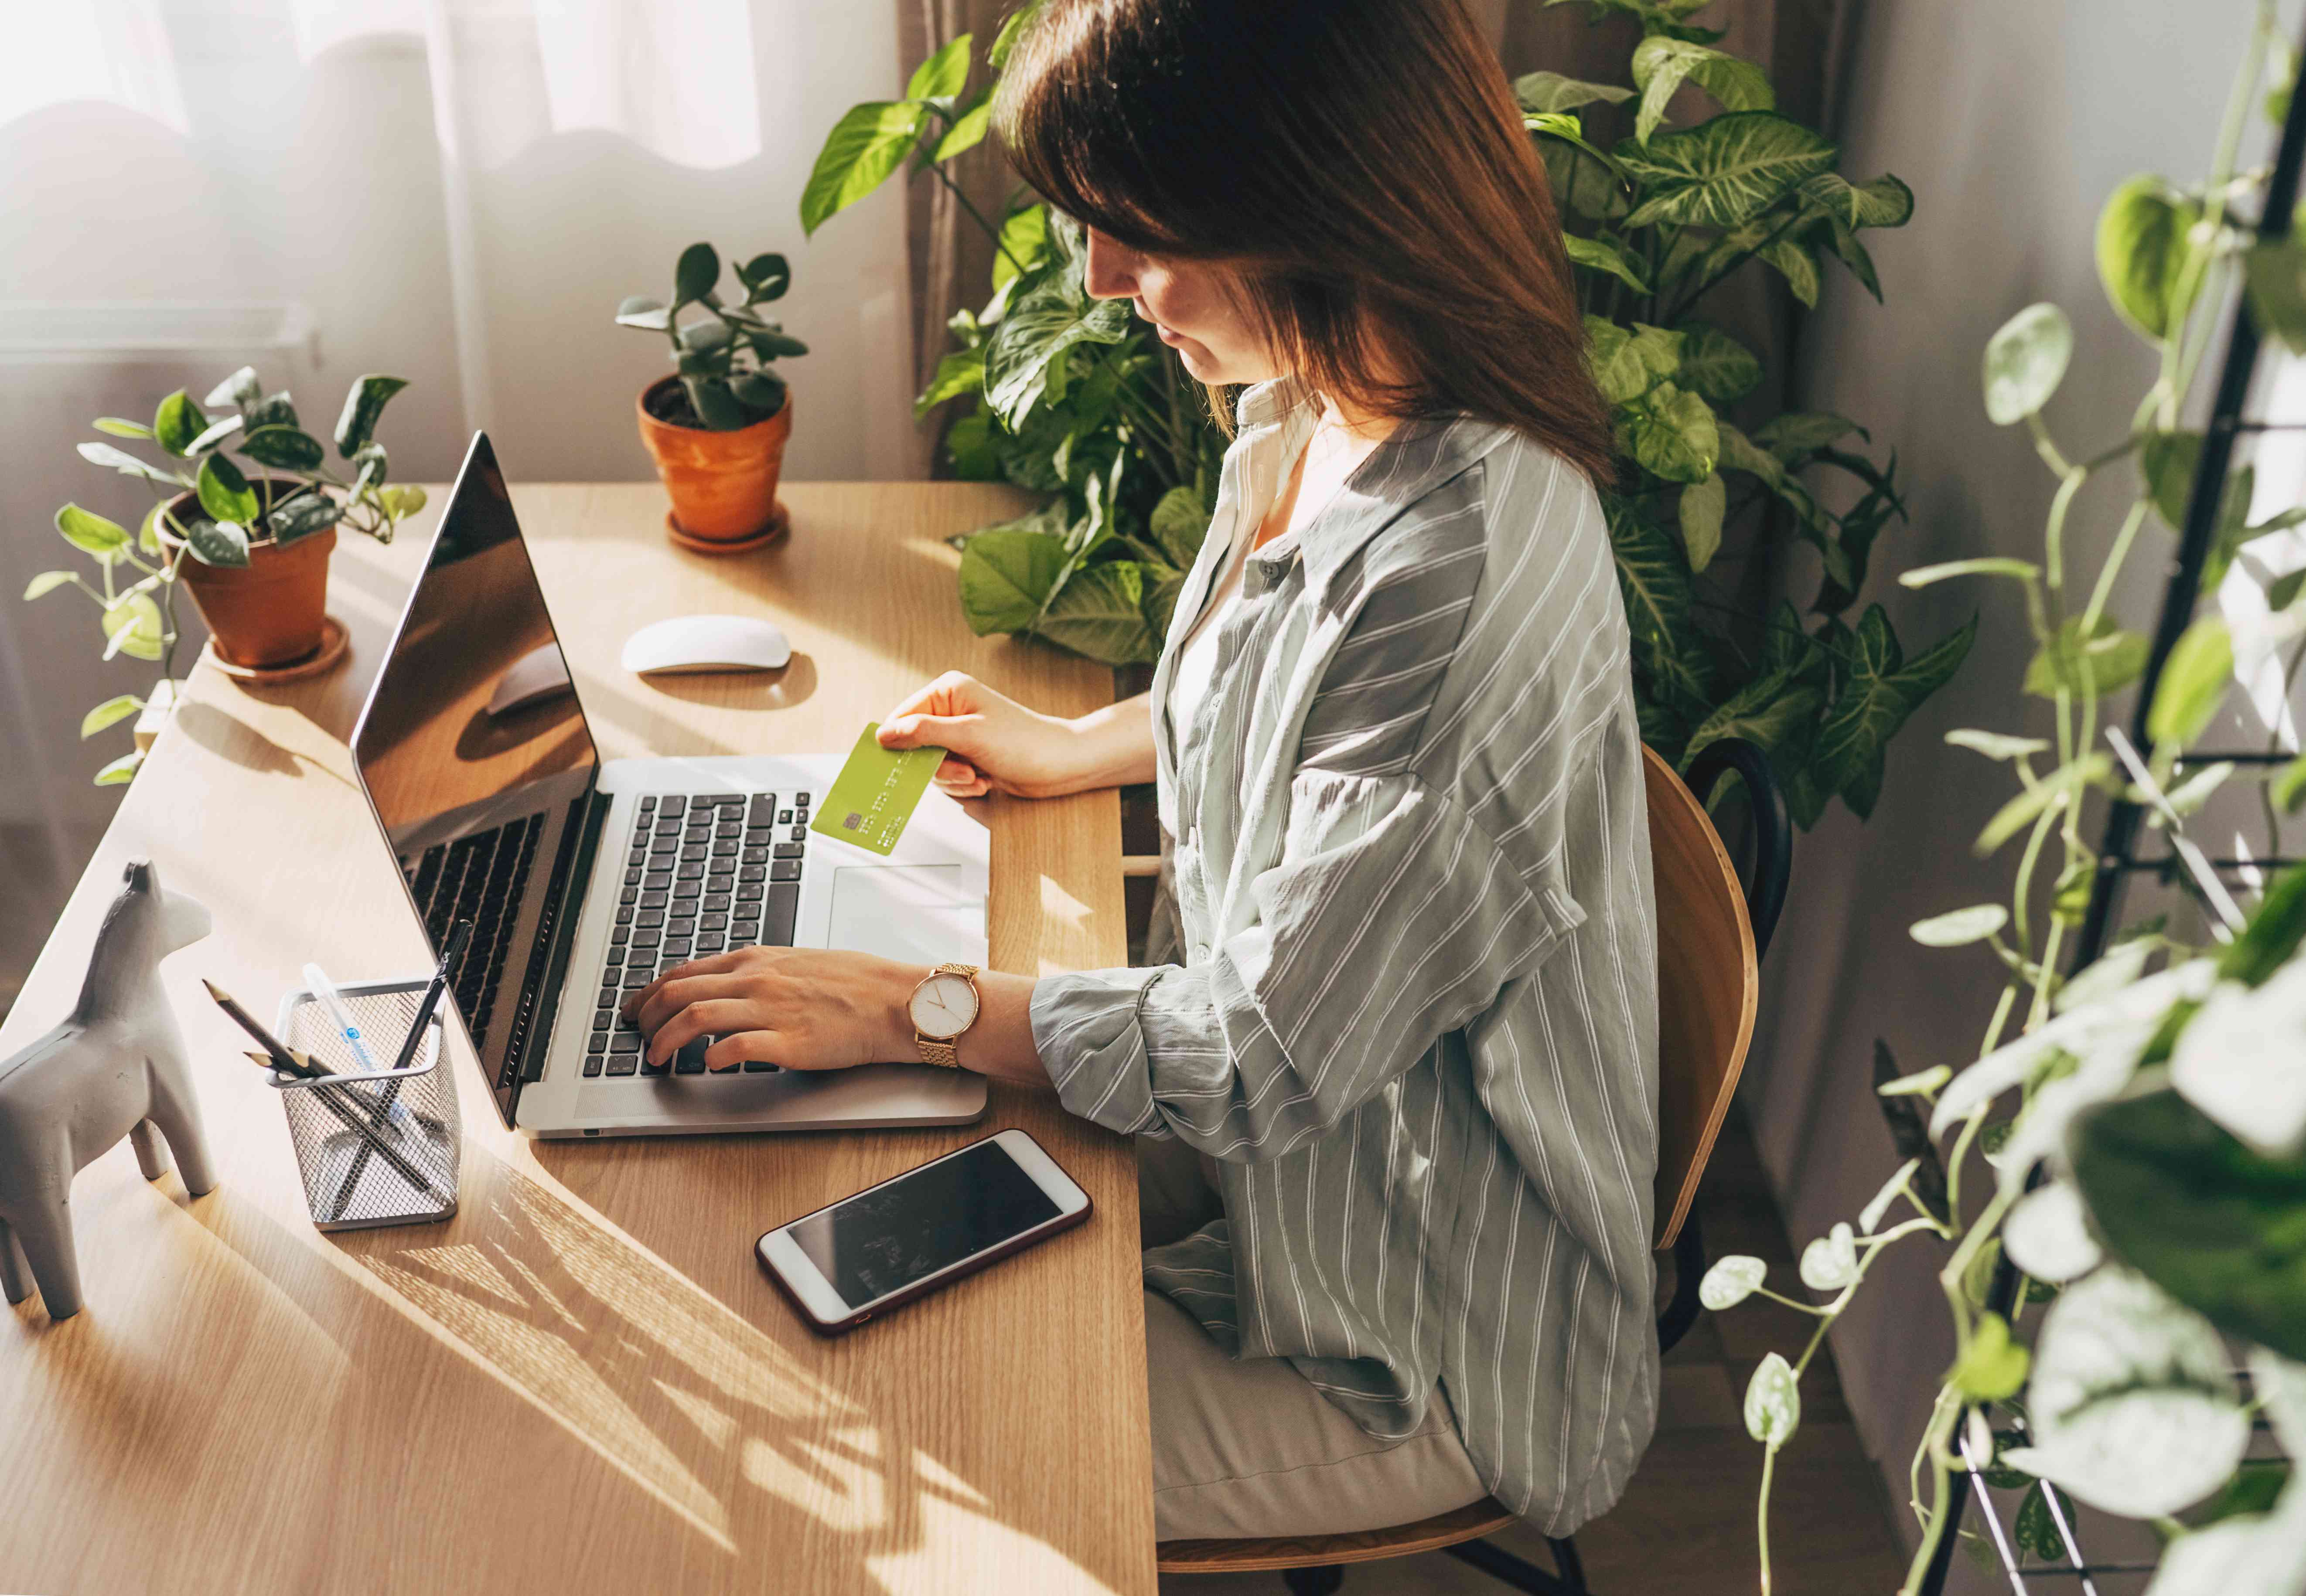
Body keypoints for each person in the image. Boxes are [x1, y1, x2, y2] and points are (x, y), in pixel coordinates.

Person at [623, 0, 1661, 1544]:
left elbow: (1256, 1055)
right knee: (759, 1230)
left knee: (803, 1460)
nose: (1101, 281)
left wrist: (908, 1005)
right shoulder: (1333, 408)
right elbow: (1296, 732)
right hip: (1282, 1169)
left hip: (1412, 1329)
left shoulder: (1451, 576)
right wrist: (1072, 751)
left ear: (1311, 206)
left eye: (1135, 233)